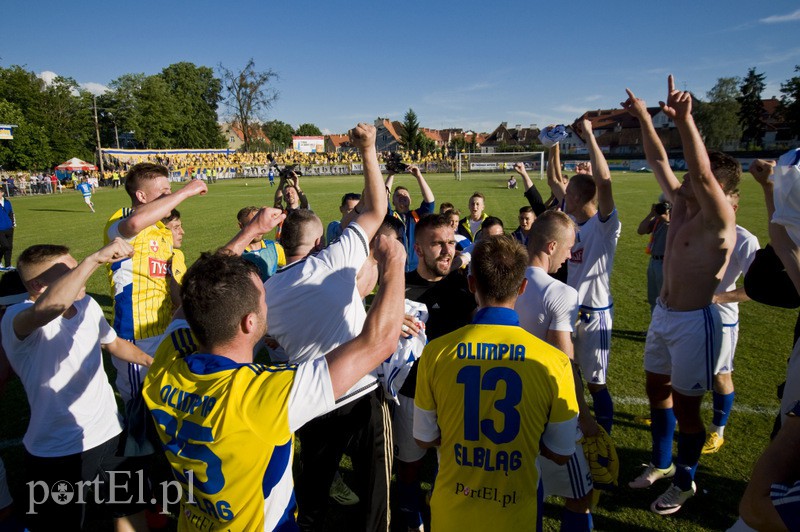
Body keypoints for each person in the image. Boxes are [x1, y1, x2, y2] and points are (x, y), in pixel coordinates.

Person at [143, 219, 406, 531]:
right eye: (262, 299)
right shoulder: (264, 397)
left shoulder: (167, 362)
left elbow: (190, 302)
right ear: (249, 323)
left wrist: (249, 232)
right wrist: (394, 264)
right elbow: (379, 343)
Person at [259, 123, 393, 531]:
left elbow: (262, 342)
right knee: (376, 493)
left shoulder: (265, 293)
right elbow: (376, 210)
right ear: (319, 241)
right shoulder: (336, 258)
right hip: (363, 390)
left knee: (313, 485)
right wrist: (368, 149)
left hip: (309, 395)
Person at [622, 78, 740, 514]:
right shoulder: (681, 203)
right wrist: (642, 119)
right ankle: (662, 463)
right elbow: (655, 157)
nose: (684, 178)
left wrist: (686, 121)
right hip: (664, 316)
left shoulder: (718, 224)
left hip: (694, 322)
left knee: (689, 411)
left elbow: (705, 172)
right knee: (657, 392)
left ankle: (686, 481)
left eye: (692, 175)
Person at [413, 235, 579, 531]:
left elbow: (424, 438)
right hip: (516, 514)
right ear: (523, 286)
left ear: (472, 284)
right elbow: (562, 451)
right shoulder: (555, 362)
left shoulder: (436, 352)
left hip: (451, 512)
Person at [1, 240, 153, 531]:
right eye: (70, 271)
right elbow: (48, 309)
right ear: (38, 287)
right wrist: (94, 258)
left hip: (111, 434)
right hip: (58, 452)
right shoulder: (16, 319)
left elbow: (112, 343)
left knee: (130, 514)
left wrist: (150, 361)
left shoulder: (86, 304)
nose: (82, 274)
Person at [398, 213, 478, 530]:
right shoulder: (398, 290)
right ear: (418, 249)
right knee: (409, 465)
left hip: (458, 395)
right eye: (437, 244)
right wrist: (388, 321)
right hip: (412, 393)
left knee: (456, 464)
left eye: (450, 242)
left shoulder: (465, 287)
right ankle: (410, 517)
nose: (447, 251)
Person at [104, 163, 207, 406]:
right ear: (141, 196)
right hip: (134, 333)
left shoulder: (161, 233)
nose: (170, 196)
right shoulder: (123, 219)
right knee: (138, 402)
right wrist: (184, 192)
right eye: (163, 191)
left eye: (170, 190)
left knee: (163, 396)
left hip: (164, 327)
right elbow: (133, 224)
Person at [546, 117, 620, 436]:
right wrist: (554, 144)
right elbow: (553, 179)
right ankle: (578, 428)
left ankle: (603, 438)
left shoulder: (603, 228)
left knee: (595, 383)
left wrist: (589, 136)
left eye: (568, 193)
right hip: (572, 311)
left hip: (595, 316)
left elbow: (604, 184)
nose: (563, 195)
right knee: (568, 373)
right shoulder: (573, 223)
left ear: (577, 198)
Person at [703, 193, 759, 454]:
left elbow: (757, 288)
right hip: (690, 314)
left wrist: (717, 298)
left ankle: (717, 431)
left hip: (722, 320)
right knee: (677, 367)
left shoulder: (745, 239)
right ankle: (674, 413)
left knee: (720, 375)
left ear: (734, 207)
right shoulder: (700, 227)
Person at [386, 165, 435, 272]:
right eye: (398, 195)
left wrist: (418, 176)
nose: (402, 196)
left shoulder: (416, 215)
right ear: (392, 201)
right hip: (395, 268)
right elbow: (382, 198)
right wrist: (391, 174)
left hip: (417, 269)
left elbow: (430, 201)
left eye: (405, 194)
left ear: (410, 200)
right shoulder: (390, 216)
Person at [637, 197, 671, 313]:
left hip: (666, 263)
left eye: (666, 205)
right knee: (653, 299)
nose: (663, 207)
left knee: (665, 301)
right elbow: (641, 230)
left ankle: (665, 330)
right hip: (653, 262)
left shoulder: (677, 220)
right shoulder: (657, 220)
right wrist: (651, 214)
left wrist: (667, 220)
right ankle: (654, 329)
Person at [235, 206, 286, 282]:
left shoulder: (275, 247)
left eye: (259, 223)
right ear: (241, 226)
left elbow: (289, 270)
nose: (258, 228)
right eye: (252, 225)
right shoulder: (236, 255)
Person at [162, 209, 186, 309]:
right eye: (176, 228)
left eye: (181, 227)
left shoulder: (178, 254)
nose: (182, 232)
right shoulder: (154, 259)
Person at [0, 188, 14, 271]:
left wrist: (12, 223)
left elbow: (11, 213)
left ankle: (8, 265)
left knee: (9, 247)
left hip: (9, 227)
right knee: (5, 245)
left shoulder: (7, 202)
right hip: (0, 229)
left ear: (2, 193)